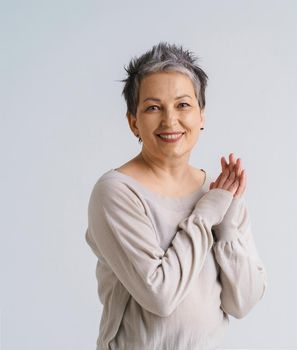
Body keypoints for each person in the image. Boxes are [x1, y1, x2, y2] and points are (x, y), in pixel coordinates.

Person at [84, 42, 267, 350]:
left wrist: (228, 223)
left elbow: (243, 302)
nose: (170, 120)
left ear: (201, 116)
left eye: (183, 105)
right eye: (153, 107)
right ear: (133, 122)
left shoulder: (219, 191)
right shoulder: (116, 192)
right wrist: (207, 214)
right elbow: (160, 295)